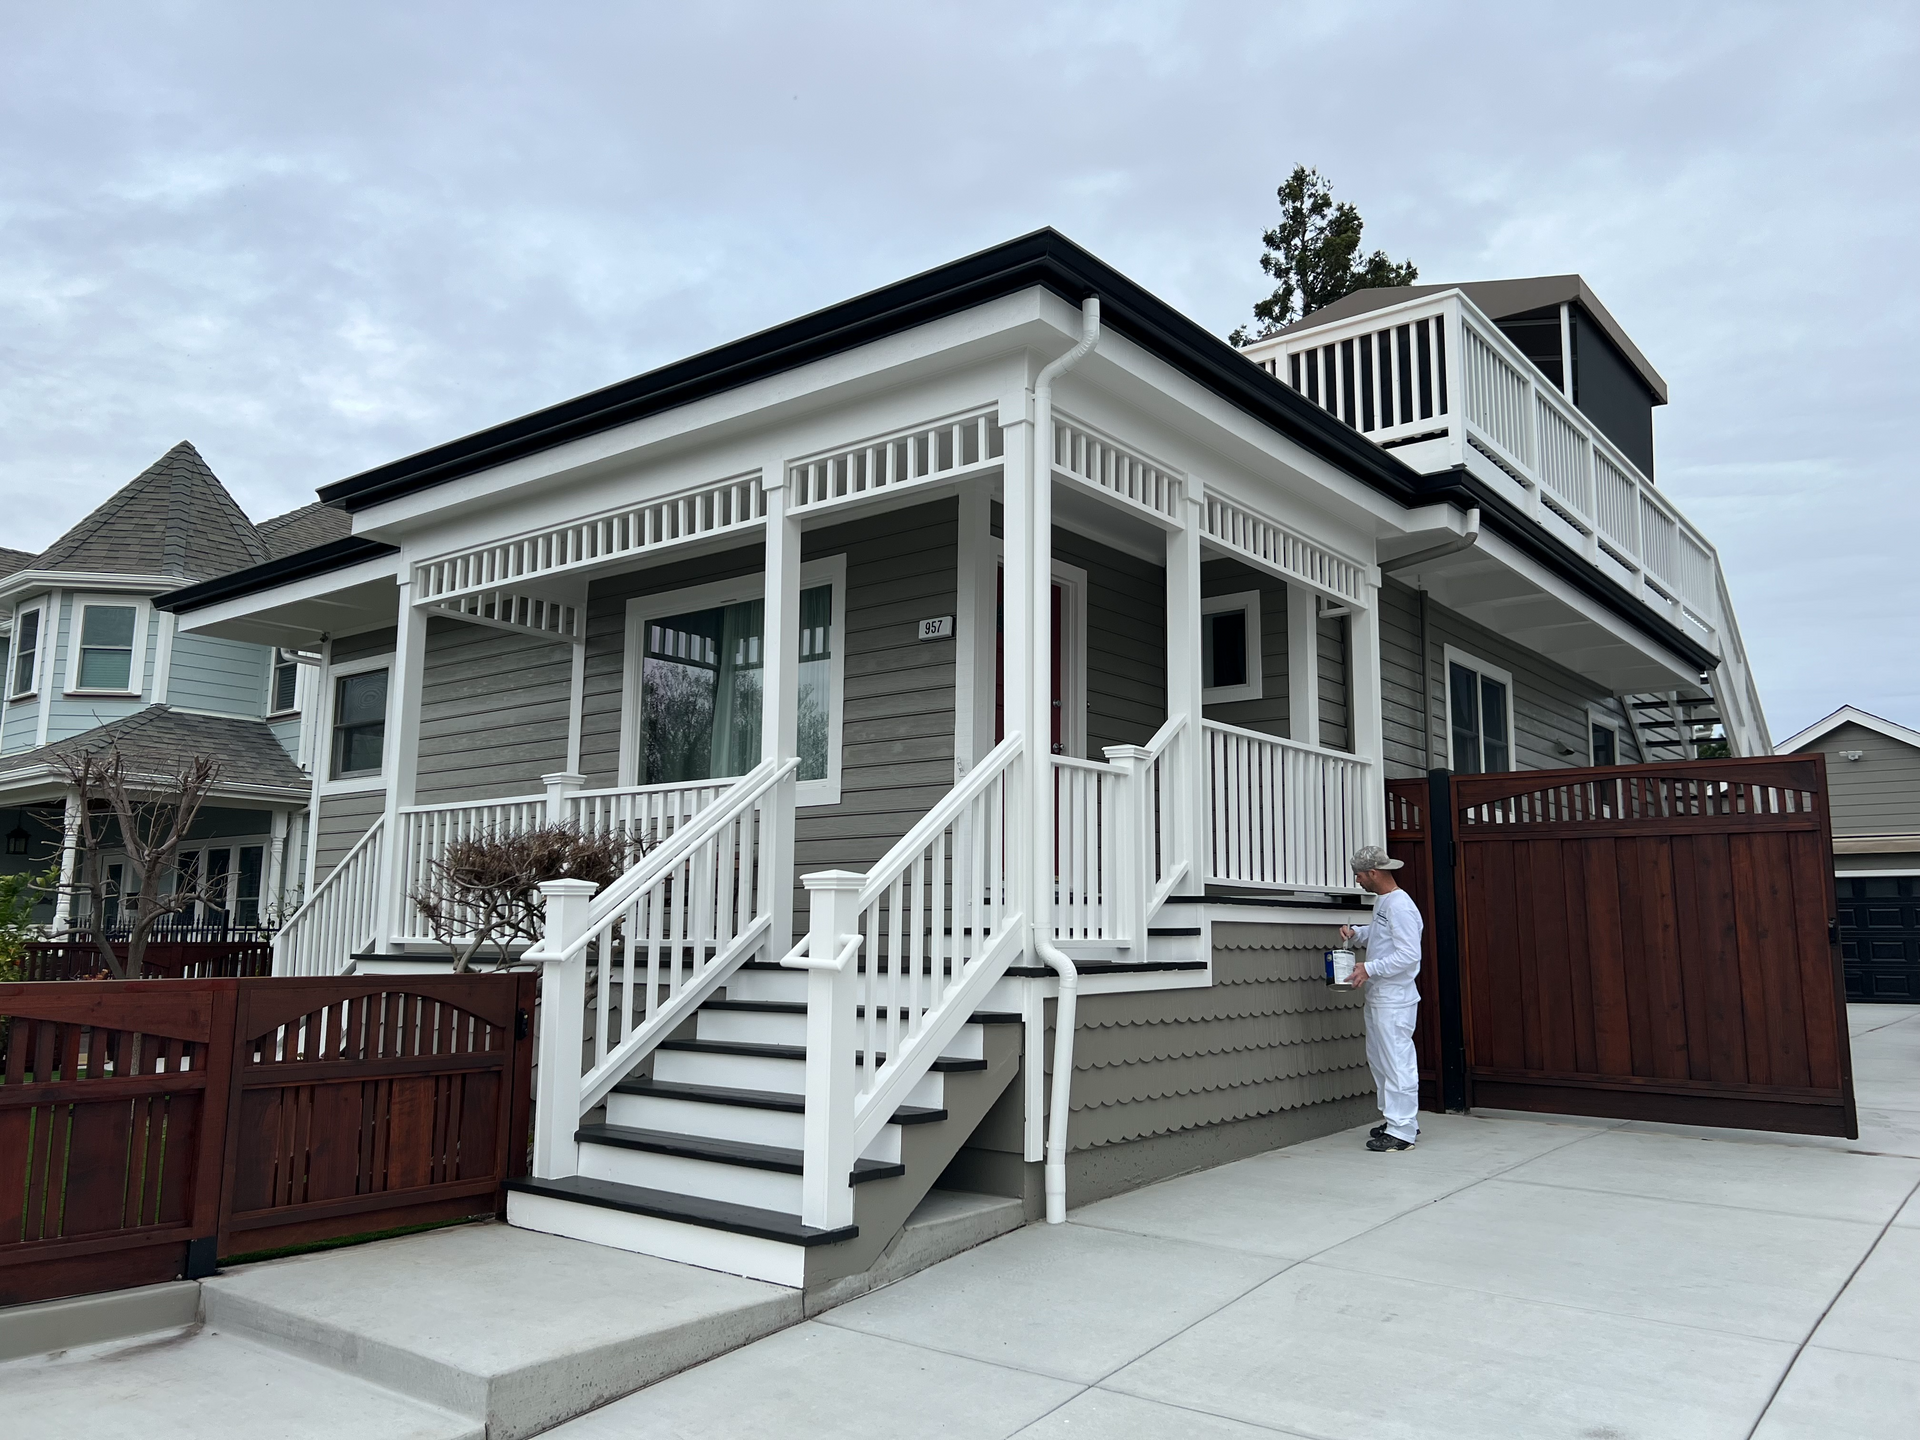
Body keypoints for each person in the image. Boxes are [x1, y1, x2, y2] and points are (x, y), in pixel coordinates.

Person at [1339, 845, 1424, 1153]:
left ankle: (1403, 1130)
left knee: (1397, 1062)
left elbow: (1409, 954)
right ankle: (1397, 1121)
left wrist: (1369, 967)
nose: (1358, 881)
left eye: (1359, 876)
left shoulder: (1400, 905)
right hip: (1380, 997)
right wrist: (1358, 934)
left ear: (1373, 873)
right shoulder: (1385, 903)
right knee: (1381, 1061)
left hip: (1395, 1000)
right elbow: (1383, 935)